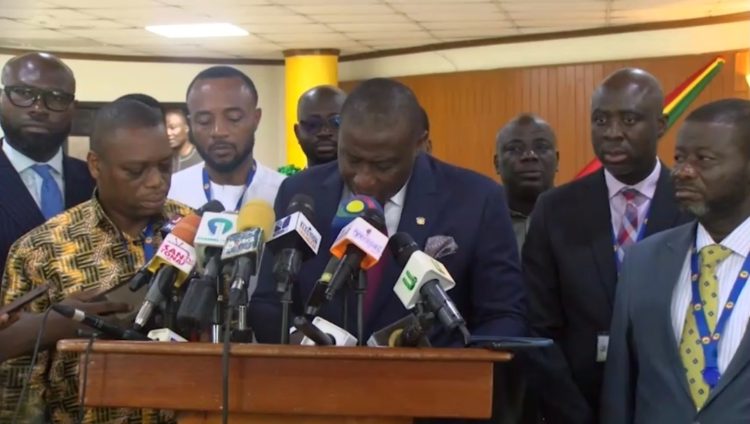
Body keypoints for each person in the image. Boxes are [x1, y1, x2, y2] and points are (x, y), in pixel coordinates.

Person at [250, 77, 525, 347]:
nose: (363, 179)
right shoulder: (300, 192)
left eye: (383, 166)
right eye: (352, 159)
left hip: (432, 375)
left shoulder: (475, 199)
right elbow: (268, 304)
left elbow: (503, 316)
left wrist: (455, 368)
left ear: (419, 144)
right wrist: (307, 347)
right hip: (316, 374)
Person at [0, 98, 191, 423]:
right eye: (135, 171)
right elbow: (15, 384)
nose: (156, 181)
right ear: (95, 165)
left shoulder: (196, 230)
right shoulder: (41, 249)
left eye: (164, 165)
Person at [522, 68, 691, 423]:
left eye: (629, 120)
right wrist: (572, 413)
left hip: (675, 405)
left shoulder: (692, 205)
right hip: (576, 405)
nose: (612, 133)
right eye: (600, 120)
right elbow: (538, 326)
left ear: (660, 125)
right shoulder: (555, 210)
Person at [602, 99, 750, 423]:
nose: (683, 172)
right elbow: (619, 388)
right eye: (680, 158)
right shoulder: (642, 261)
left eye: (703, 160)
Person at [0, 52, 95, 274]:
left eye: (56, 97)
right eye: (24, 93)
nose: (39, 108)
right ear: (2, 98)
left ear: (73, 108)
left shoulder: (96, 183)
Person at [168, 66, 285, 211]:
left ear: (256, 119)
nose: (219, 132)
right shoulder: (171, 192)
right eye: (204, 121)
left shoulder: (283, 192)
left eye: (233, 118)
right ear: (191, 123)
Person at [494, 113, 558, 250]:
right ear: (497, 163)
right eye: (515, 149)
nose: (530, 156)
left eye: (541, 147)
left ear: (557, 160)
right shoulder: (478, 221)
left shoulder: (581, 217)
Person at [294, 85, 346, 167]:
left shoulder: (366, 175)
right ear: (297, 133)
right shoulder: (288, 176)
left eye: (336, 122)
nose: (324, 132)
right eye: (312, 124)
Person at [166, 108, 201, 172]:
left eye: (172, 128)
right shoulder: (163, 161)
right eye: (165, 128)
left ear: (186, 128)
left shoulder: (200, 158)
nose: (168, 133)